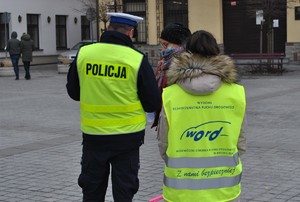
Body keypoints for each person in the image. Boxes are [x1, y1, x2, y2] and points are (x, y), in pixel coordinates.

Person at [66, 12, 161, 202]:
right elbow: (152, 102)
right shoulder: (135, 59)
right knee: (124, 192)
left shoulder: (84, 53)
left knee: (92, 191)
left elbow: (74, 93)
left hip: (94, 137)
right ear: (130, 33)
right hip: (127, 139)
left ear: (108, 28)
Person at [157, 30, 247, 202]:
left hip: (181, 188)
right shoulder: (236, 93)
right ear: (216, 53)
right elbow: (240, 142)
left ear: (187, 53)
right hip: (224, 188)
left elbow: (164, 143)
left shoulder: (170, 94)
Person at [151, 23, 191, 128]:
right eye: (161, 45)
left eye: (166, 45)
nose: (163, 49)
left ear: (181, 45)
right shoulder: (164, 65)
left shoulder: (187, 68)